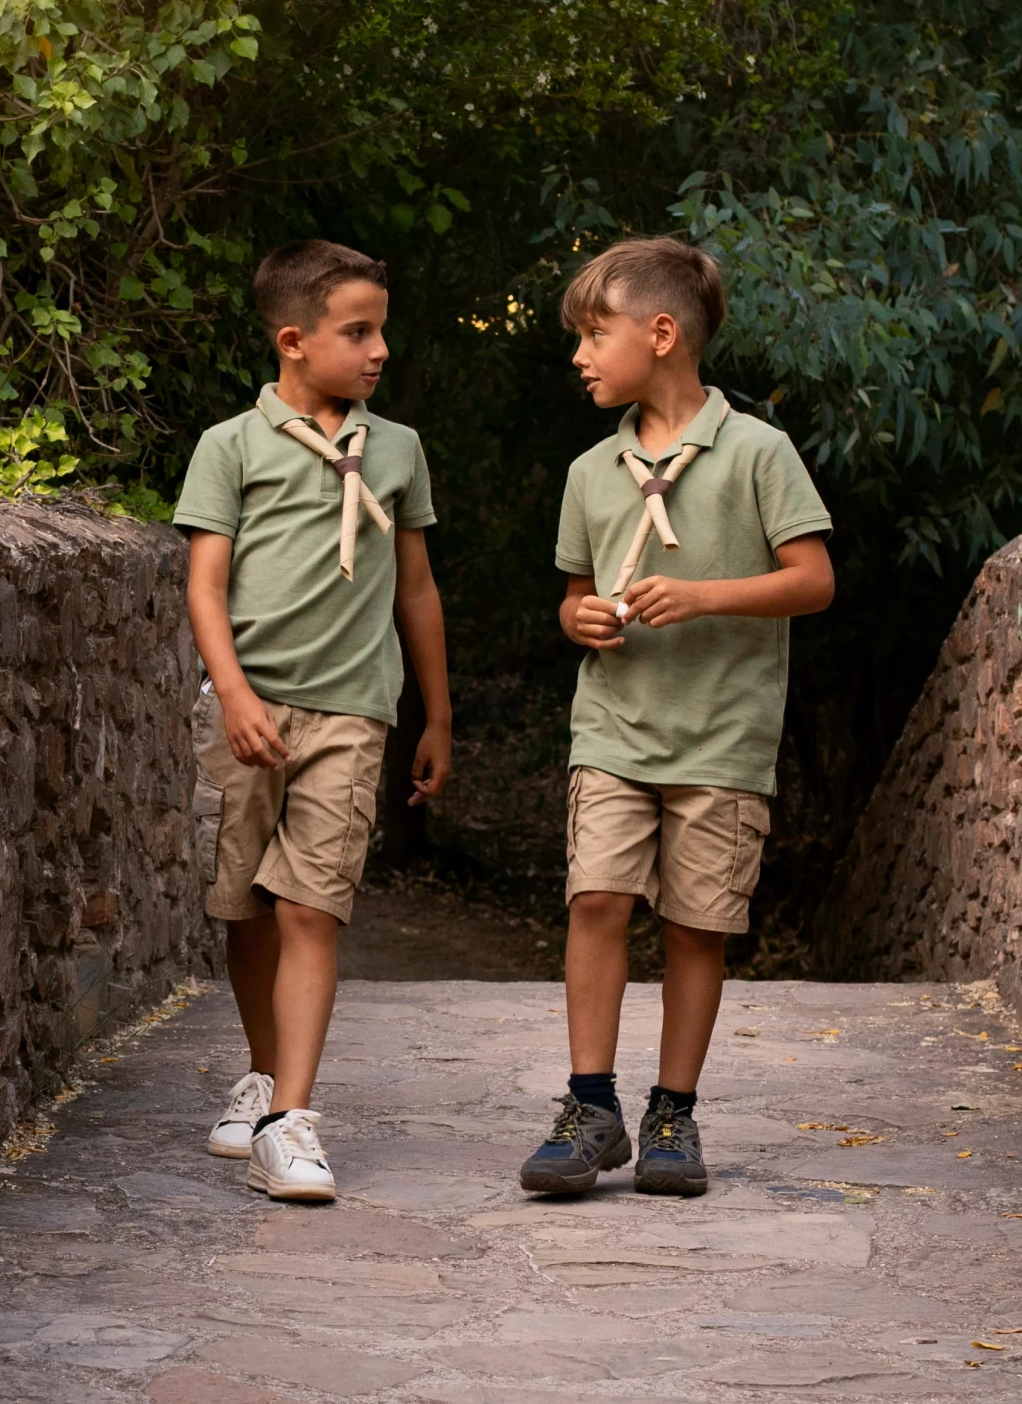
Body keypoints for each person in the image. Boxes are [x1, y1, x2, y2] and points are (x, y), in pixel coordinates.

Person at [519, 237, 834, 1197]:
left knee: (697, 926)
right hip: (614, 728)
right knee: (598, 900)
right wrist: (580, 620)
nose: (580, 355)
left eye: (594, 333)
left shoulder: (759, 452)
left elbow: (814, 583)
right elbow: (576, 597)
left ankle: (673, 1114)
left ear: (660, 335)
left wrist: (699, 597)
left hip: (723, 737)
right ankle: (589, 1106)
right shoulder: (589, 471)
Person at [174, 239, 453, 1201]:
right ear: (293, 341)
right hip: (251, 711)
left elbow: (416, 589)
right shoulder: (231, 447)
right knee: (246, 904)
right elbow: (205, 586)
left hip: (353, 711)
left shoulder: (400, 449)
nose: (379, 350)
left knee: (311, 903)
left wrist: (437, 717)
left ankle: (290, 1121)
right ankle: (260, 1072)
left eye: (382, 330)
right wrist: (237, 694)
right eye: (358, 331)